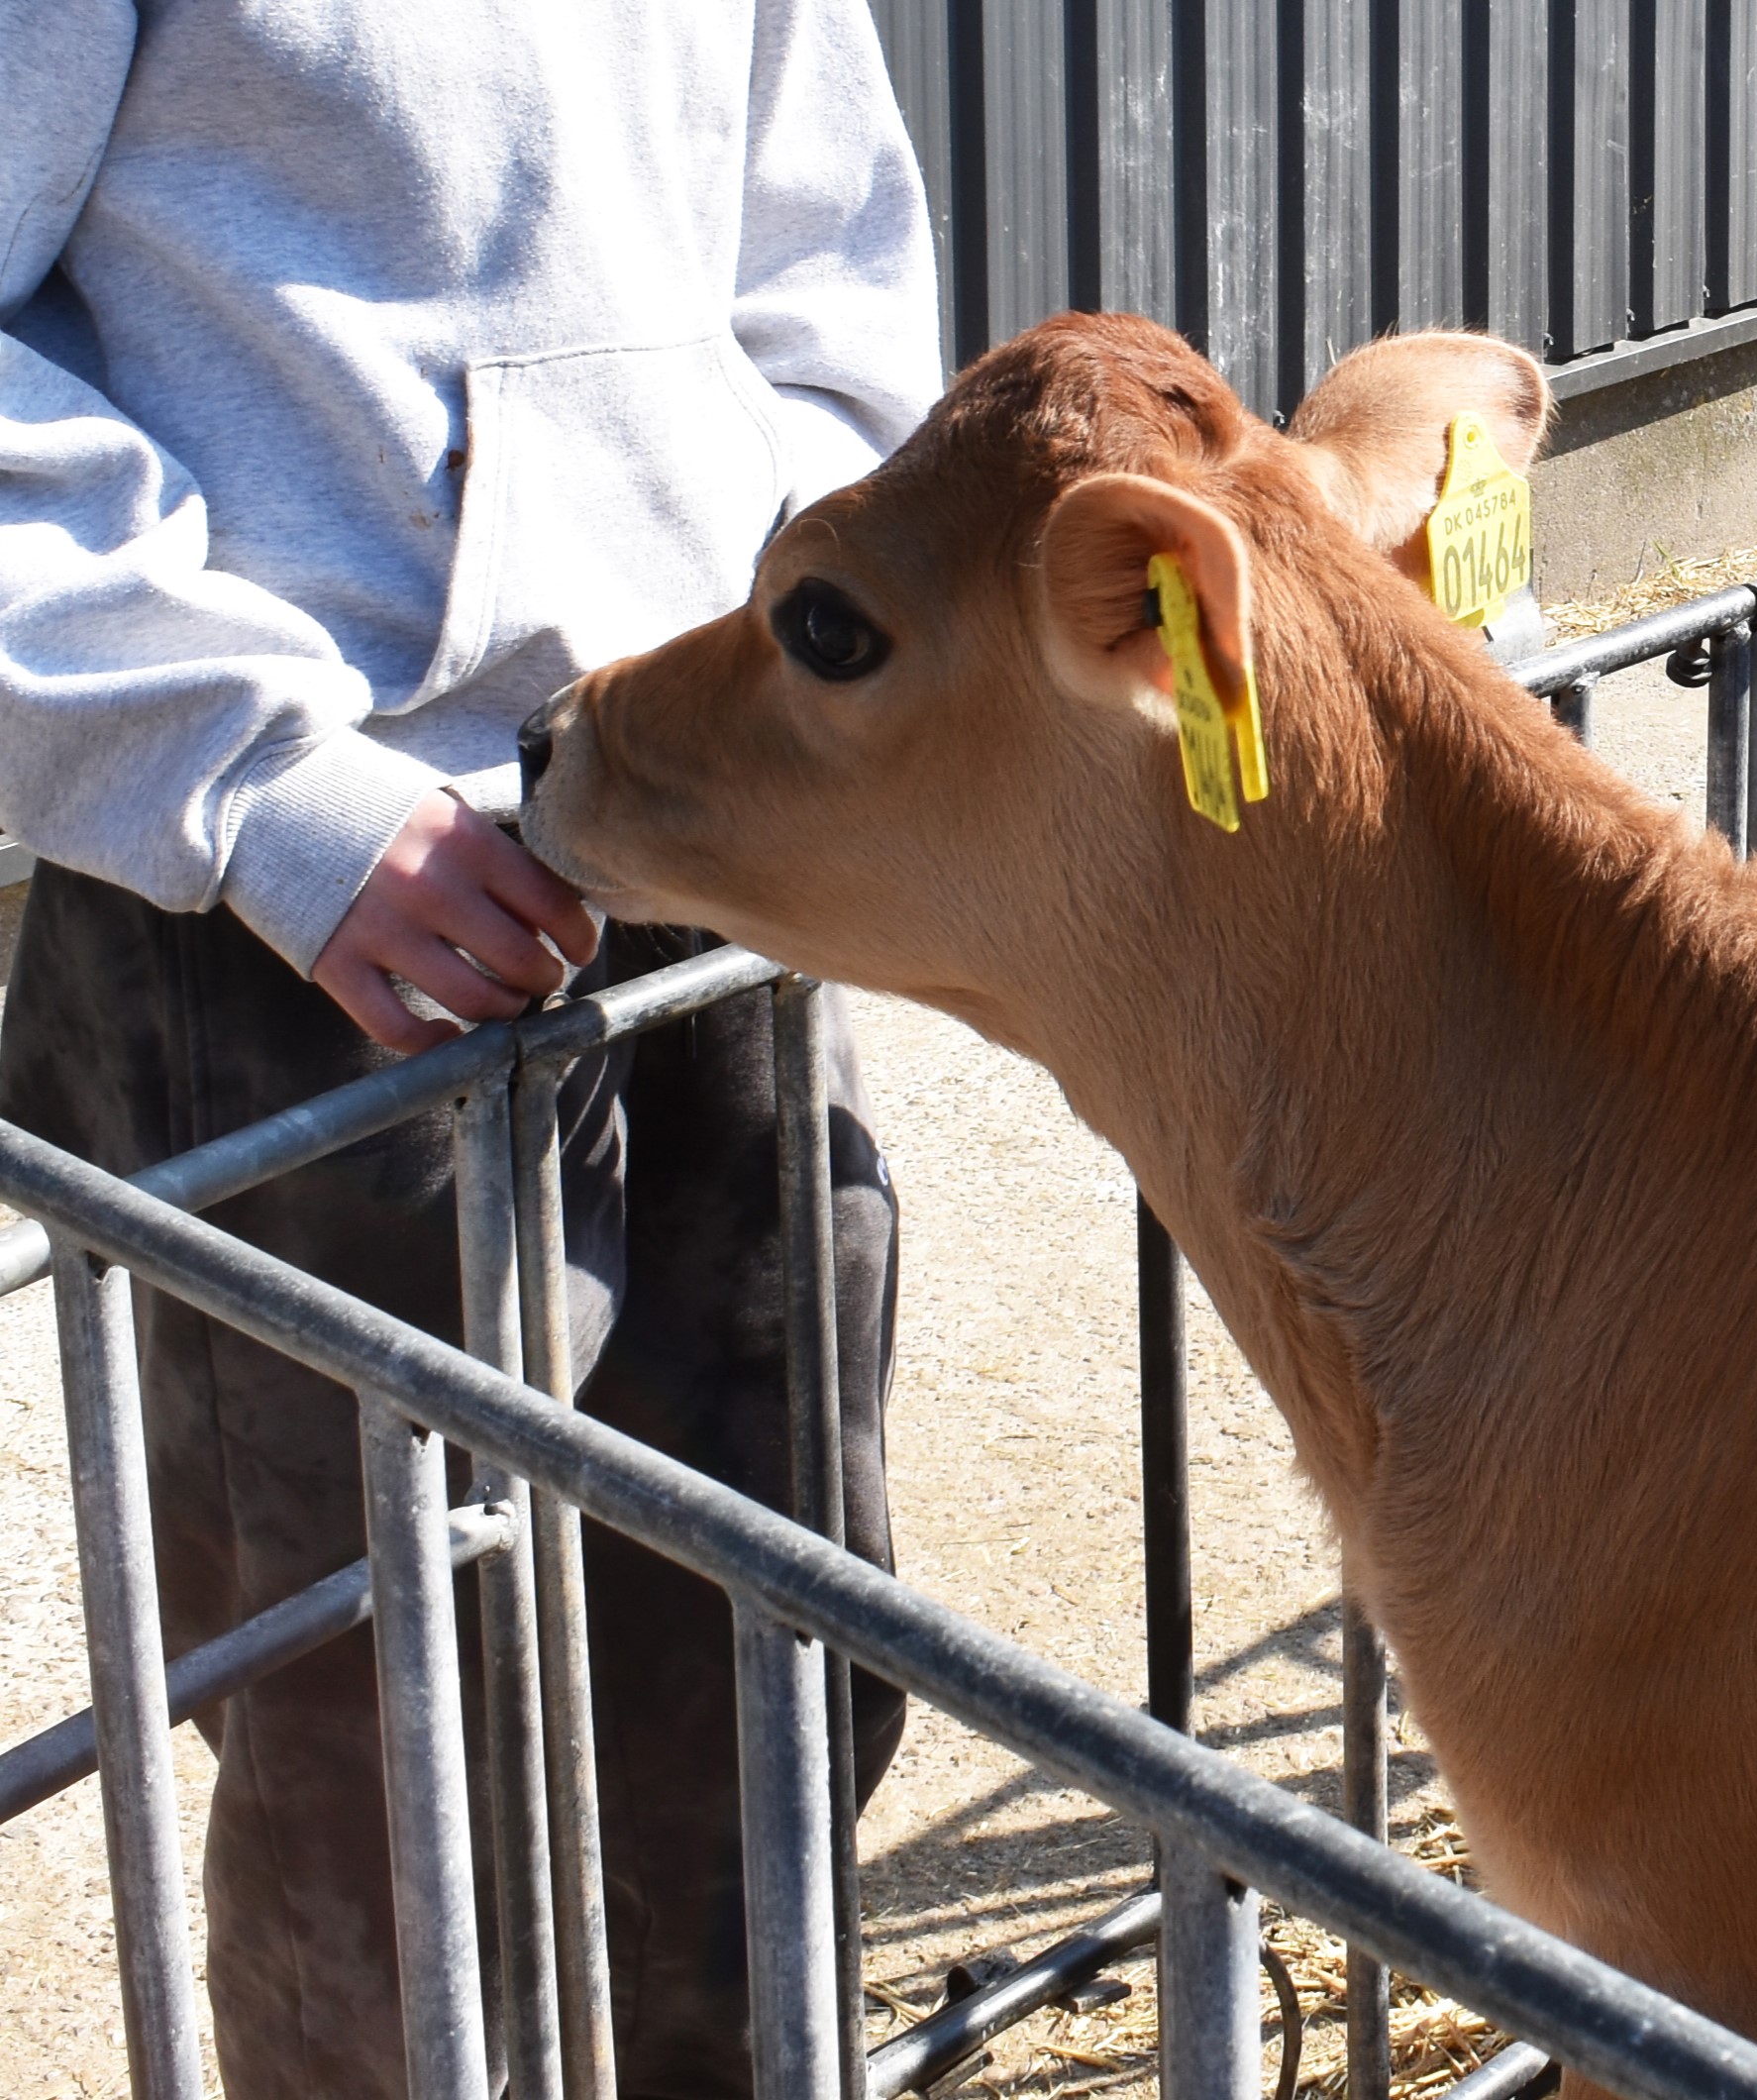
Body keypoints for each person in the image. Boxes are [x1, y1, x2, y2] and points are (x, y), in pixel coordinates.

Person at [0, 6, 944, 2094]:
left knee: (769, 1669)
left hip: (703, 826)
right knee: (394, 1787)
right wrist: (259, 784)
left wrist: (792, 684)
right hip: (301, 917)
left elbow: (828, 279)